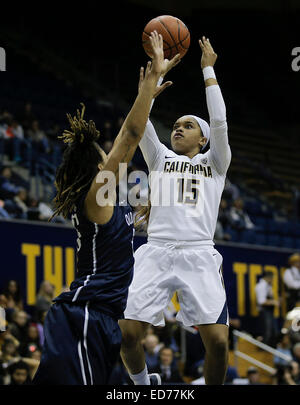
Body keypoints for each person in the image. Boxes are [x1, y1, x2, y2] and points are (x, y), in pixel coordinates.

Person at [32, 31, 171, 385]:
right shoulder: (96, 194)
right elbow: (131, 134)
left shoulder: (112, 196)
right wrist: (151, 80)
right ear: (98, 167)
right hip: (84, 315)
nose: (111, 157)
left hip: (105, 319)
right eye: (104, 157)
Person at [120, 37, 231, 385]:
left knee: (217, 342)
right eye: (176, 125)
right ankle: (142, 386)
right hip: (156, 251)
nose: (178, 128)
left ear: (203, 139)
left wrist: (208, 70)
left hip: (198, 252)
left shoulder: (214, 162)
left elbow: (221, 122)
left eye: (188, 125)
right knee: (127, 335)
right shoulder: (159, 158)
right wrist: (150, 85)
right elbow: (138, 125)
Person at [255, 271, 280, 347]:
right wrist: (274, 302)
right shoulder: (261, 286)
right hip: (265, 311)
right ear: (268, 277)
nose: (273, 280)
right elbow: (261, 301)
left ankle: (270, 349)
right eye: (272, 278)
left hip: (269, 311)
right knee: (267, 331)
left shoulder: (267, 286)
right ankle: (264, 350)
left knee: (273, 331)